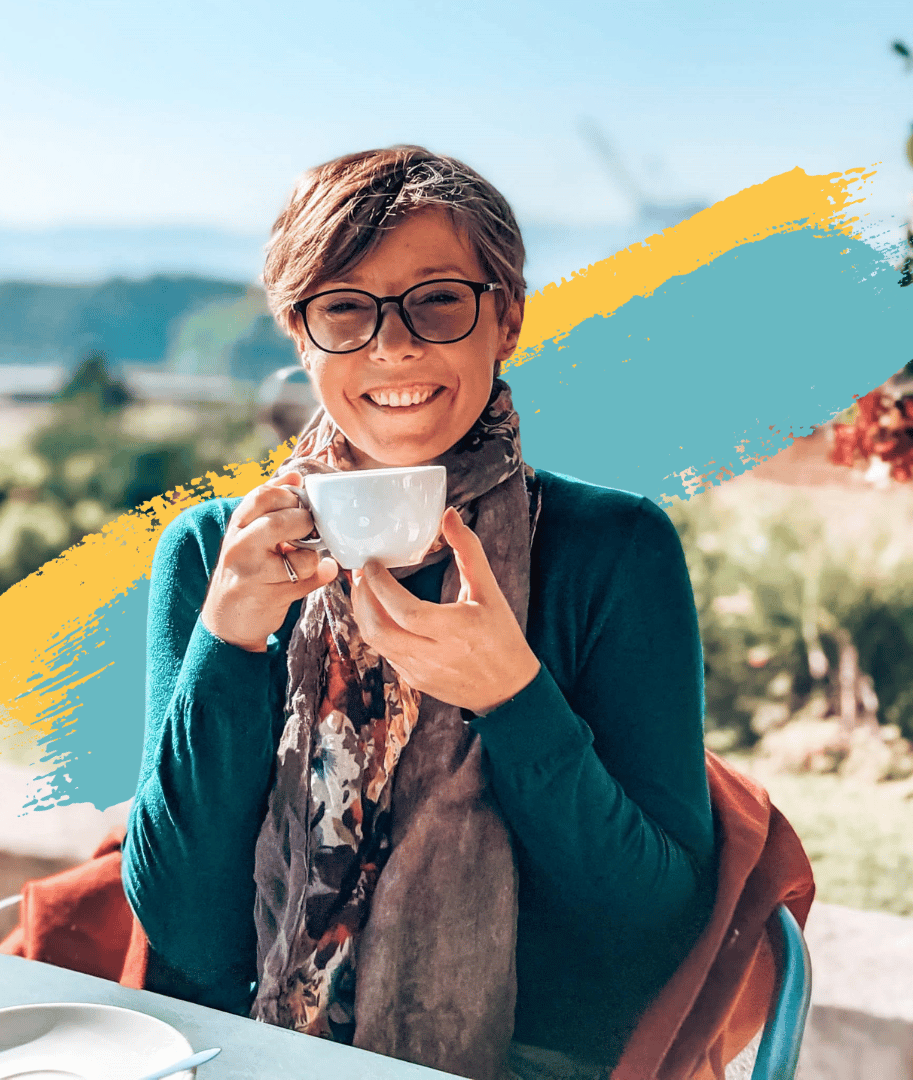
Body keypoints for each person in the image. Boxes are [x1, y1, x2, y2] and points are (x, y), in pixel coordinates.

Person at [122, 146, 718, 1080]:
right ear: (299, 334)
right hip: (246, 1048)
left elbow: (654, 928)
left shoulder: (614, 553)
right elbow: (187, 933)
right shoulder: (214, 552)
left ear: (506, 319)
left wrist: (514, 695)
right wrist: (226, 641)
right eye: (344, 308)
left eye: (439, 300)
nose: (392, 346)